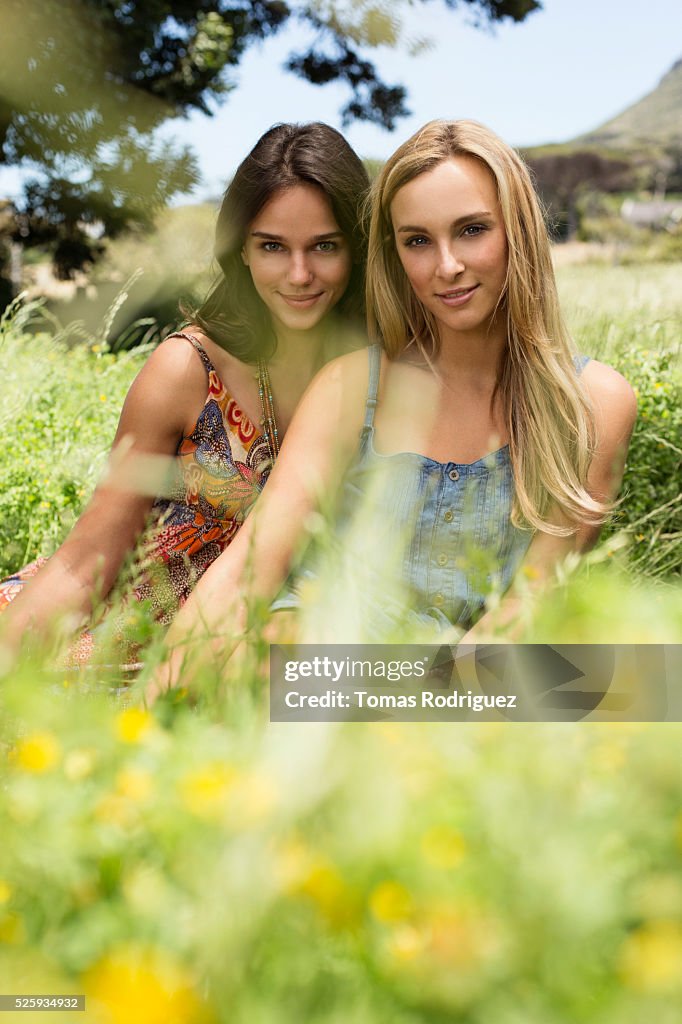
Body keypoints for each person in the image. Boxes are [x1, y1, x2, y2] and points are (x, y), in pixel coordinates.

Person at [147, 118, 638, 696]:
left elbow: (523, 611)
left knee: (632, 684)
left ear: (519, 232)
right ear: (396, 253)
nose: (446, 266)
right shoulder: (352, 386)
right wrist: (154, 705)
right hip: (314, 662)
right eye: (418, 240)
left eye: (473, 230)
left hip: (469, 675)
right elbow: (248, 570)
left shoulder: (594, 405)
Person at [0, 122, 369, 662]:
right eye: (272, 246)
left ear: (356, 249)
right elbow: (88, 559)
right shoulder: (188, 369)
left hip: (247, 651)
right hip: (116, 633)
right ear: (240, 250)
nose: (299, 274)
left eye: (324, 247)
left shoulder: (377, 371)